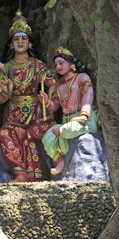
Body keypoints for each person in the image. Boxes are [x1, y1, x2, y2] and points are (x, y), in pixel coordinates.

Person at [0, 10, 55, 182]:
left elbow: (54, 85)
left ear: (30, 44)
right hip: (13, 112)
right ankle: (20, 172)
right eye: (16, 39)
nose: (20, 41)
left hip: (36, 111)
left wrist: (49, 103)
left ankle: (37, 174)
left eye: (24, 38)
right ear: (11, 45)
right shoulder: (6, 67)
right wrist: (6, 90)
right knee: (5, 133)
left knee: (30, 135)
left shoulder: (38, 65)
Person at [39, 46, 97, 175]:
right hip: (67, 122)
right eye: (56, 64)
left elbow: (88, 95)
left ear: (71, 64)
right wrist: (46, 101)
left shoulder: (82, 78)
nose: (58, 67)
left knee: (65, 131)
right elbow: (55, 106)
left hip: (83, 121)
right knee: (47, 136)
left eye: (61, 63)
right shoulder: (58, 85)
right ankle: (59, 161)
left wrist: (84, 114)